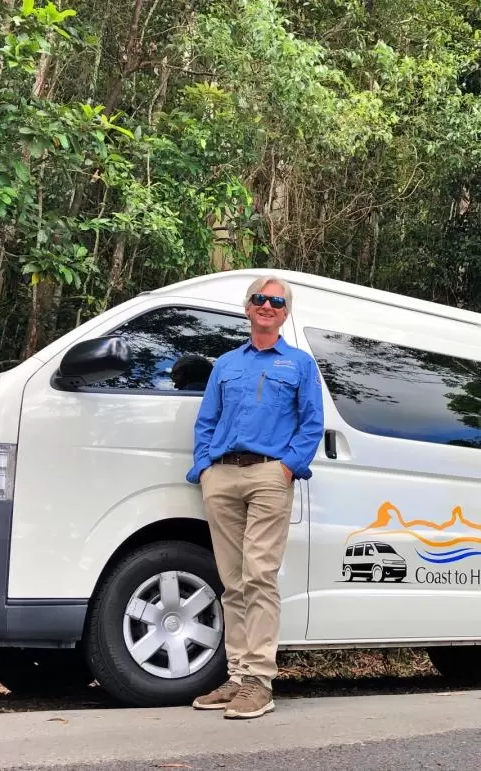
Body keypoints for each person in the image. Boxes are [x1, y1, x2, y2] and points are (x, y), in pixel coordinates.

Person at [185, 276, 324, 719]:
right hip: (222, 476)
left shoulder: (299, 364)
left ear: (285, 313)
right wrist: (205, 467)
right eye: (260, 299)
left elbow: (311, 424)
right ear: (248, 308)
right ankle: (237, 676)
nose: (267, 306)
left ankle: (259, 682)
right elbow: (207, 420)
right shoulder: (225, 364)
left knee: (260, 574)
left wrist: (287, 467)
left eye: (276, 301)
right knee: (232, 580)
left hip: (269, 474)